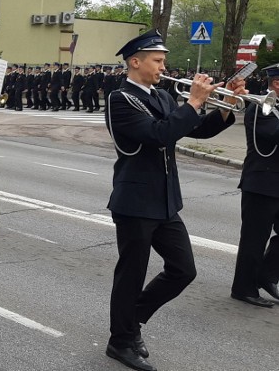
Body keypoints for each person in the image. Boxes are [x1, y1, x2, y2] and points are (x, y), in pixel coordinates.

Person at [104, 29, 244, 371]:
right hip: (135, 201)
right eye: (157, 60)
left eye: (163, 60)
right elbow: (158, 134)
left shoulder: (163, 97)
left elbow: (195, 130)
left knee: (183, 270)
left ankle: (131, 320)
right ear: (135, 62)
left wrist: (224, 106)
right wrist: (194, 102)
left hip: (165, 200)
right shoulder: (121, 99)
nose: (163, 66)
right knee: (131, 275)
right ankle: (119, 341)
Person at [231, 62, 279, 308]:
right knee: (254, 239)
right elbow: (272, 135)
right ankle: (244, 288)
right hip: (261, 182)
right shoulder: (262, 107)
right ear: (277, 83)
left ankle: (267, 274)